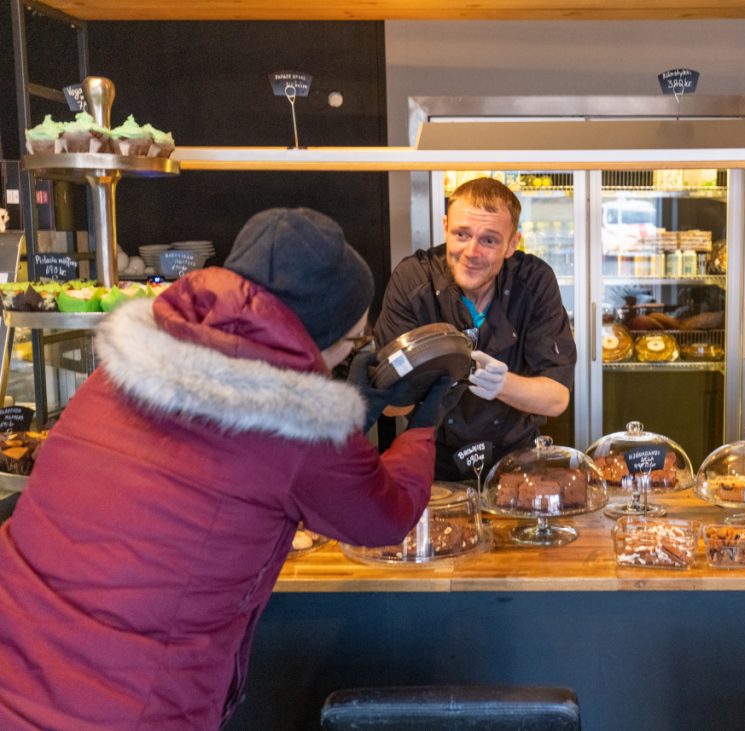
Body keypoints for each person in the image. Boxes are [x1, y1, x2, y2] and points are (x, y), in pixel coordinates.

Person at [0, 208, 454, 730]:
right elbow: (384, 518)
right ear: (317, 335)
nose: (349, 352)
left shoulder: (114, 374)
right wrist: (422, 428)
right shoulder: (295, 430)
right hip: (128, 706)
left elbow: (231, 458)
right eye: (352, 341)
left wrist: (346, 409)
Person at [375, 177, 576, 480]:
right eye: (461, 234)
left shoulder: (534, 282)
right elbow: (390, 406)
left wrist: (501, 384)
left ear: (512, 244)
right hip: (431, 462)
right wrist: (440, 374)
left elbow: (556, 397)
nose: (471, 251)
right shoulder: (413, 280)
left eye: (489, 240)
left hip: (517, 465)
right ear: (445, 227)